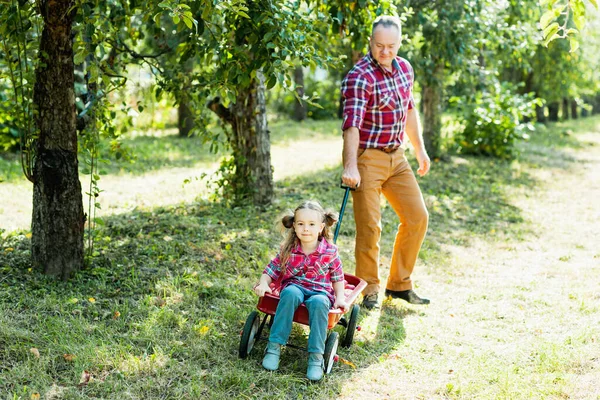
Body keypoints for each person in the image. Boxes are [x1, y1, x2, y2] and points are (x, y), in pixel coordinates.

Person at [340, 15, 431, 309]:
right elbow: (351, 125)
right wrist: (350, 166)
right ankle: (369, 290)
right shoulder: (360, 76)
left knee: (418, 217)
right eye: (379, 46)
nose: (385, 52)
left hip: (397, 157)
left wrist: (420, 150)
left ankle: (399, 285)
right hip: (368, 158)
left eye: (391, 46)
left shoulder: (405, 68)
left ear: (400, 43)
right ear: (370, 42)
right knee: (369, 227)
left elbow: (410, 111)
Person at [253, 200, 348, 381]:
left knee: (320, 303)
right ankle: (274, 347)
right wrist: (264, 283)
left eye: (311, 224)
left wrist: (340, 297)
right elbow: (272, 270)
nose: (306, 229)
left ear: (321, 227)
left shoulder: (330, 251)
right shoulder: (289, 249)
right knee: (289, 294)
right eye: (301, 224)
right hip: (295, 286)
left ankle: (315, 357)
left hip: (320, 291)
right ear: (294, 226)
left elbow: (337, 277)